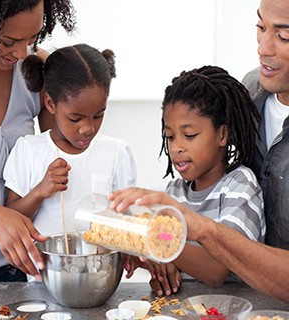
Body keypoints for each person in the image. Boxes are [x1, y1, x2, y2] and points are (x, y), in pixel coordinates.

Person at [110, 65, 265, 296]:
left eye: (190, 135)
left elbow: (217, 270)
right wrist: (156, 262)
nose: (176, 147)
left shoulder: (239, 186)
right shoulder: (175, 193)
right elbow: (166, 244)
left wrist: (153, 241)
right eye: (170, 137)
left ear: (223, 134)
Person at [0, 0, 76, 281]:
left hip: (23, 270)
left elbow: (65, 161)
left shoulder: (36, 71)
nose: (20, 53)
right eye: (8, 41)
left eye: (32, 38)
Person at [3, 44, 136, 238]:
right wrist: (39, 191)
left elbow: (128, 219)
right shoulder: (29, 151)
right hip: (45, 267)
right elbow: (10, 218)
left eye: (98, 115)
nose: (88, 129)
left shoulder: (116, 152)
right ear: (50, 103)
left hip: (102, 266)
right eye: (75, 119)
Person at [242, 0, 289, 250]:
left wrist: (211, 234)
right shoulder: (247, 92)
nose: (263, 48)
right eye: (261, 26)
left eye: (283, 37)